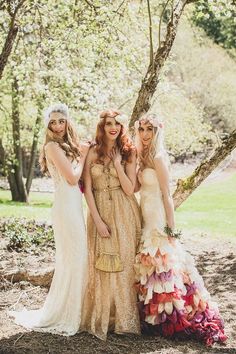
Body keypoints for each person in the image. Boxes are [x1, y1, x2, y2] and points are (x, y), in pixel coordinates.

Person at [134, 113, 227, 346]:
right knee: (149, 268)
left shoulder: (158, 157)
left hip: (157, 216)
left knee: (163, 266)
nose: (145, 134)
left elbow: (166, 195)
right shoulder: (142, 156)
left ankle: (171, 316)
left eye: (150, 130)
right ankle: (153, 316)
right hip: (144, 214)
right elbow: (134, 187)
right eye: (142, 129)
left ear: (157, 132)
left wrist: (171, 230)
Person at [9, 103, 89, 336]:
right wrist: (83, 155)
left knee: (76, 256)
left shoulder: (67, 145)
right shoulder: (52, 146)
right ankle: (67, 313)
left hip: (73, 204)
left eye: (60, 121)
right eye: (52, 122)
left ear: (67, 122)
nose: (56, 126)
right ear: (48, 125)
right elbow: (73, 178)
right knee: (75, 257)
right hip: (65, 206)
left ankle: (78, 309)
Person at [81, 109, 141, 340]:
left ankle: (124, 320)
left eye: (117, 123)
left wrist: (117, 164)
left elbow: (129, 189)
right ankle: (104, 317)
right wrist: (97, 219)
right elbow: (87, 187)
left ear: (122, 127)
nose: (113, 127)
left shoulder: (128, 152)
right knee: (101, 263)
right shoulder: (92, 151)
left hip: (125, 211)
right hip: (99, 211)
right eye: (108, 123)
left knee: (124, 263)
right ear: (102, 126)